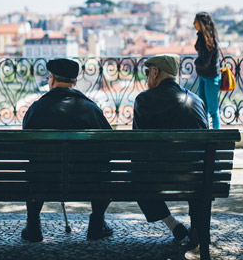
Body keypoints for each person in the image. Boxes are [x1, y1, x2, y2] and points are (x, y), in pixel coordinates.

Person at [21, 58, 113, 242]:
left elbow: (26, 148)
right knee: (103, 169)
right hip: (87, 180)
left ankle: (33, 225)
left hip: (44, 180)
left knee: (35, 169)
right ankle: (97, 222)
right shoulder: (91, 109)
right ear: (75, 82)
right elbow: (109, 146)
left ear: (52, 79)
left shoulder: (36, 109)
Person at [133, 54, 208, 243]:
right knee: (197, 165)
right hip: (197, 176)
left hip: (155, 177)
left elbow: (137, 146)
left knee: (134, 174)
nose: (147, 76)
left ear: (156, 72)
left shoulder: (144, 100)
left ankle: (172, 224)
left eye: (148, 72)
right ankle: (198, 228)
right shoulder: (196, 101)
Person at [193, 12, 222, 129]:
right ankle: (205, 134)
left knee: (213, 111)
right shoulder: (202, 36)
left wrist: (196, 63)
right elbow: (197, 48)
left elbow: (205, 62)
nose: (193, 24)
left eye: (195, 21)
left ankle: (216, 136)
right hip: (203, 76)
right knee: (203, 109)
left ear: (201, 23)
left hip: (211, 77)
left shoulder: (211, 39)